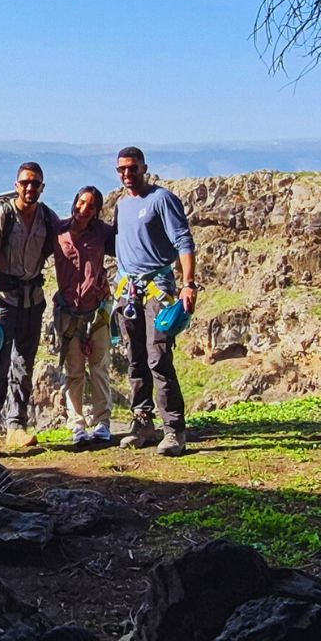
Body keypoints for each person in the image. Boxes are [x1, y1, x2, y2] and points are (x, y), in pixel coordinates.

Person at [113, 146, 197, 456]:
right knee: (135, 361)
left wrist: (189, 284)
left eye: (132, 168)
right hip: (128, 294)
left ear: (144, 168)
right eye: (121, 169)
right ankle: (143, 423)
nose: (127, 174)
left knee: (158, 358)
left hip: (158, 293)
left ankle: (174, 430)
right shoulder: (121, 206)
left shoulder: (162, 200)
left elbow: (184, 241)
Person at [0, 161, 57, 459]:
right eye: (25, 183)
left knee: (24, 365)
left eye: (35, 184)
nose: (30, 188)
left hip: (33, 300)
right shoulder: (2, 215)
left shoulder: (47, 218)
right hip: (3, 301)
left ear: (42, 188)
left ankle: (16, 427)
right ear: (16, 184)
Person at [52, 185, 115, 445]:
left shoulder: (103, 233)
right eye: (81, 202)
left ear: (97, 210)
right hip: (68, 312)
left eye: (90, 205)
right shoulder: (58, 232)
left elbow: (130, 246)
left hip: (98, 309)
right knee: (74, 370)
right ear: (75, 202)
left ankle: (102, 423)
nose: (84, 209)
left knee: (99, 367)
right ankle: (76, 425)